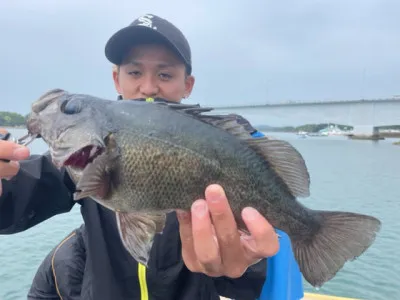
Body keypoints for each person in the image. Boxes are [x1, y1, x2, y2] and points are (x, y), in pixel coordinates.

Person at [0, 14, 304, 300]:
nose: (148, 86)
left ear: (188, 85)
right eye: (134, 72)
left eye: (165, 73)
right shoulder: (85, 152)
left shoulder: (220, 141)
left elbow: (245, 277)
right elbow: (20, 195)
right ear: (116, 80)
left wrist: (244, 265)